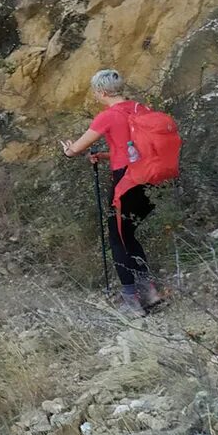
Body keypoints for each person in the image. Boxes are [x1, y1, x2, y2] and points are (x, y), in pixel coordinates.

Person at [62, 69, 165, 315]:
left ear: (102, 92)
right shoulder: (141, 109)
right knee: (128, 233)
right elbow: (135, 149)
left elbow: (77, 148)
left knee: (117, 237)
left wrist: (68, 150)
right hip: (149, 178)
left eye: (96, 91)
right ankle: (149, 291)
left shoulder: (107, 116)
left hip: (125, 181)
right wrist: (105, 155)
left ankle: (131, 300)